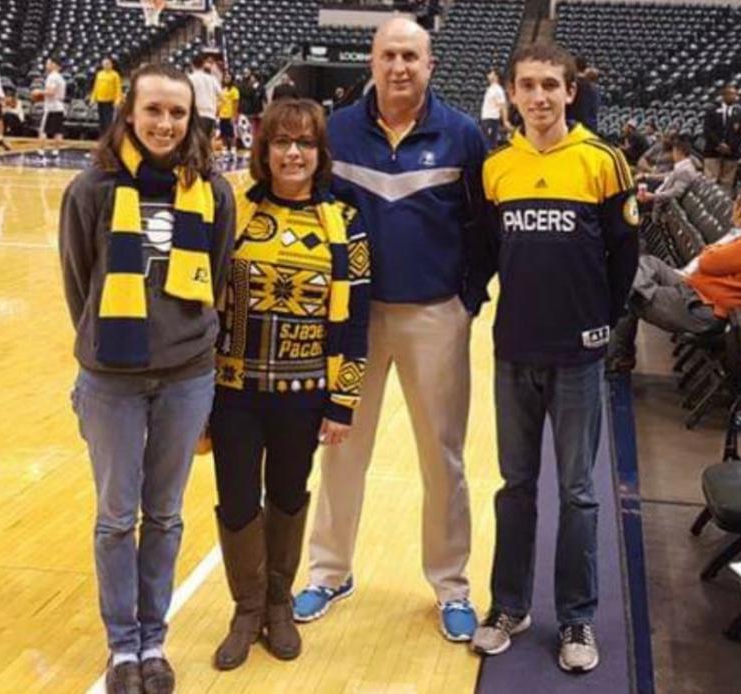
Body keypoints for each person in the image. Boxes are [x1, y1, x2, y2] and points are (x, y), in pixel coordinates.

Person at [292, 16, 490, 642]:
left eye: (410, 55)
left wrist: (467, 297)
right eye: (388, 55)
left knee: (443, 456)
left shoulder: (462, 135)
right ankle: (328, 571)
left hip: (435, 316)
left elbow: (483, 228)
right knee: (341, 446)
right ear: (371, 63)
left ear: (430, 64)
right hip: (353, 319)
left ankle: (451, 584)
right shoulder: (338, 131)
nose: (399, 66)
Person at [58, 62, 236, 694]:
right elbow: (79, 283)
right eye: (154, 110)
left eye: (177, 113)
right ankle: (121, 648)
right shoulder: (91, 190)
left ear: (192, 120)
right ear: (128, 112)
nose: (165, 123)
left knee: (163, 516)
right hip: (112, 378)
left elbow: (216, 281)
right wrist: (113, 344)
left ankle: (154, 641)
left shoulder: (213, 193)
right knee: (115, 517)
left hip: (187, 377)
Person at [469, 42, 638, 674]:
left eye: (549, 86)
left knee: (577, 494)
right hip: (513, 351)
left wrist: (600, 325)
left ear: (570, 91)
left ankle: (577, 617)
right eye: (527, 86)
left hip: (577, 357)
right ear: (511, 93)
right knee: (515, 487)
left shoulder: (603, 161)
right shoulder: (496, 168)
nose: (538, 97)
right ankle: (509, 606)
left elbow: (624, 257)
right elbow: (487, 251)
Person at [209, 98, 370, 671]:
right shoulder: (233, 210)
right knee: (234, 499)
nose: (293, 153)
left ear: (320, 153)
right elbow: (206, 302)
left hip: (302, 398)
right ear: (265, 150)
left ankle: (279, 601)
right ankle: (245, 608)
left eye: (304, 143)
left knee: (287, 494)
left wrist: (343, 402)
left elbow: (355, 321)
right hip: (232, 391)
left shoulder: (345, 222)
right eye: (282, 142)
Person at [608, 187, 741, 370]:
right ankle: (637, 296)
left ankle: (619, 356)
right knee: (649, 263)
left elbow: (707, 261)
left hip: (703, 309)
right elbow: (712, 259)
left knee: (630, 292)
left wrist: (714, 251)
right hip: (697, 291)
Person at [703, 84, 741, 195]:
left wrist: (730, 147)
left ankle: (725, 206)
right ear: (724, 95)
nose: (734, 97)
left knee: (727, 183)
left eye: (735, 94)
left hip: (731, 153)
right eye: (731, 94)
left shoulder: (740, 113)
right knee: (711, 181)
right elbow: (707, 130)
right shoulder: (712, 110)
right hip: (712, 151)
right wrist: (719, 144)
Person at [637, 137, 700, 208]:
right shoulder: (683, 166)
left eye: (673, 151)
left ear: (678, 151)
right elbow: (667, 175)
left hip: (661, 202)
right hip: (659, 194)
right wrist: (646, 175)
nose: (672, 154)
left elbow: (675, 193)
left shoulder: (684, 170)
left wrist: (652, 197)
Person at [188, 54, 221, 140]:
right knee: (206, 142)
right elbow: (221, 96)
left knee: (196, 142)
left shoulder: (190, 78)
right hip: (210, 114)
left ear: (192, 64)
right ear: (203, 64)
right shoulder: (212, 79)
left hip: (196, 114)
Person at [39, 57, 67, 156]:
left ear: (54, 65)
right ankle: (56, 151)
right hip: (60, 106)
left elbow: (51, 92)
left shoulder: (52, 77)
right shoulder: (61, 77)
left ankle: (41, 150)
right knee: (58, 131)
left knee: (43, 130)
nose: (46, 65)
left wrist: (38, 92)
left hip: (51, 107)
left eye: (48, 63)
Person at [91, 57, 124, 136]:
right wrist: (93, 99)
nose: (106, 65)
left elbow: (118, 89)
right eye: (104, 64)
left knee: (108, 121)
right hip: (100, 100)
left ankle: (108, 137)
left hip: (110, 100)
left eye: (107, 64)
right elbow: (96, 87)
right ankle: (102, 136)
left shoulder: (115, 75)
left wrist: (117, 100)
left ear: (111, 65)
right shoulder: (99, 74)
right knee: (101, 120)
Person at [480, 68, 510, 149]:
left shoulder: (498, 90)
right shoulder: (490, 89)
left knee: (490, 144)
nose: (488, 75)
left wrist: (505, 120)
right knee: (486, 142)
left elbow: (503, 106)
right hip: (486, 119)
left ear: (496, 76)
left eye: (491, 73)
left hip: (491, 119)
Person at [217, 73, 239, 155]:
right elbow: (219, 102)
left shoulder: (234, 90)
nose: (226, 79)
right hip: (222, 114)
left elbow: (236, 104)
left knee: (232, 133)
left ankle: (233, 147)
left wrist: (235, 115)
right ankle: (225, 147)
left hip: (230, 114)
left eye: (228, 77)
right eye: (225, 77)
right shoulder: (223, 90)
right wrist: (217, 113)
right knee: (223, 132)